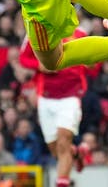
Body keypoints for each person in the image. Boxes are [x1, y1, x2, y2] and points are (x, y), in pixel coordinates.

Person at [19, 29, 89, 187]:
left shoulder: (79, 33)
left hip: (71, 95)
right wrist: (39, 65)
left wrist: (90, 63)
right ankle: (76, 153)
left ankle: (61, 183)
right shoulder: (35, 31)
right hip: (46, 96)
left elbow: (92, 62)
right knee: (55, 149)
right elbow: (23, 58)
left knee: (64, 139)